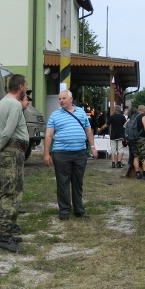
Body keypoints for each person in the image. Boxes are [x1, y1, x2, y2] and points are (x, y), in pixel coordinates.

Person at [0, 74, 30, 253]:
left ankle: (2, 232)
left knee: (3, 191)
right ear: (20, 87)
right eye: (26, 85)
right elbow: (7, 132)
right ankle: (4, 236)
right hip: (12, 152)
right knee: (11, 193)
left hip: (7, 152)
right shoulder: (14, 105)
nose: (26, 88)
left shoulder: (2, 103)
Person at [44, 89, 96, 220]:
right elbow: (49, 135)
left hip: (80, 153)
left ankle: (79, 210)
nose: (61, 101)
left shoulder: (81, 113)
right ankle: (64, 211)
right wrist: (46, 153)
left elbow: (88, 130)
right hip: (61, 153)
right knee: (63, 182)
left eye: (64, 98)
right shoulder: (54, 115)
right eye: (59, 99)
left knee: (78, 182)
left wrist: (93, 147)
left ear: (71, 100)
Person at [131, 105, 145, 180]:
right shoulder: (143, 116)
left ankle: (137, 173)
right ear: (144, 109)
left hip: (133, 139)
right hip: (142, 138)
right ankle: (144, 174)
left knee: (136, 156)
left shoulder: (133, 117)